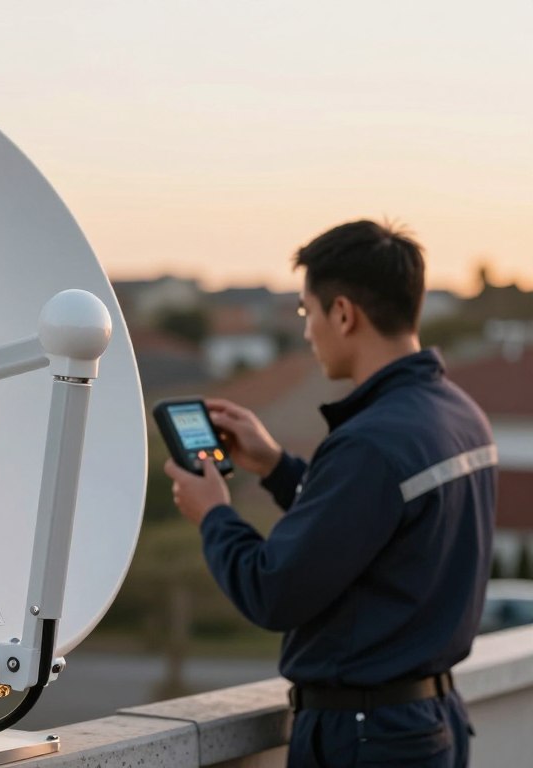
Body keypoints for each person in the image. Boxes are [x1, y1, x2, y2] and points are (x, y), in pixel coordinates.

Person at [164, 220, 497, 768]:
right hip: (429, 721)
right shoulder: (459, 413)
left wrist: (214, 515)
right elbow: (369, 526)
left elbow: (272, 589)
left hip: (370, 741)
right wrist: (274, 466)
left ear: (342, 314)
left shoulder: (370, 444)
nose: (306, 330)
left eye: (306, 312)